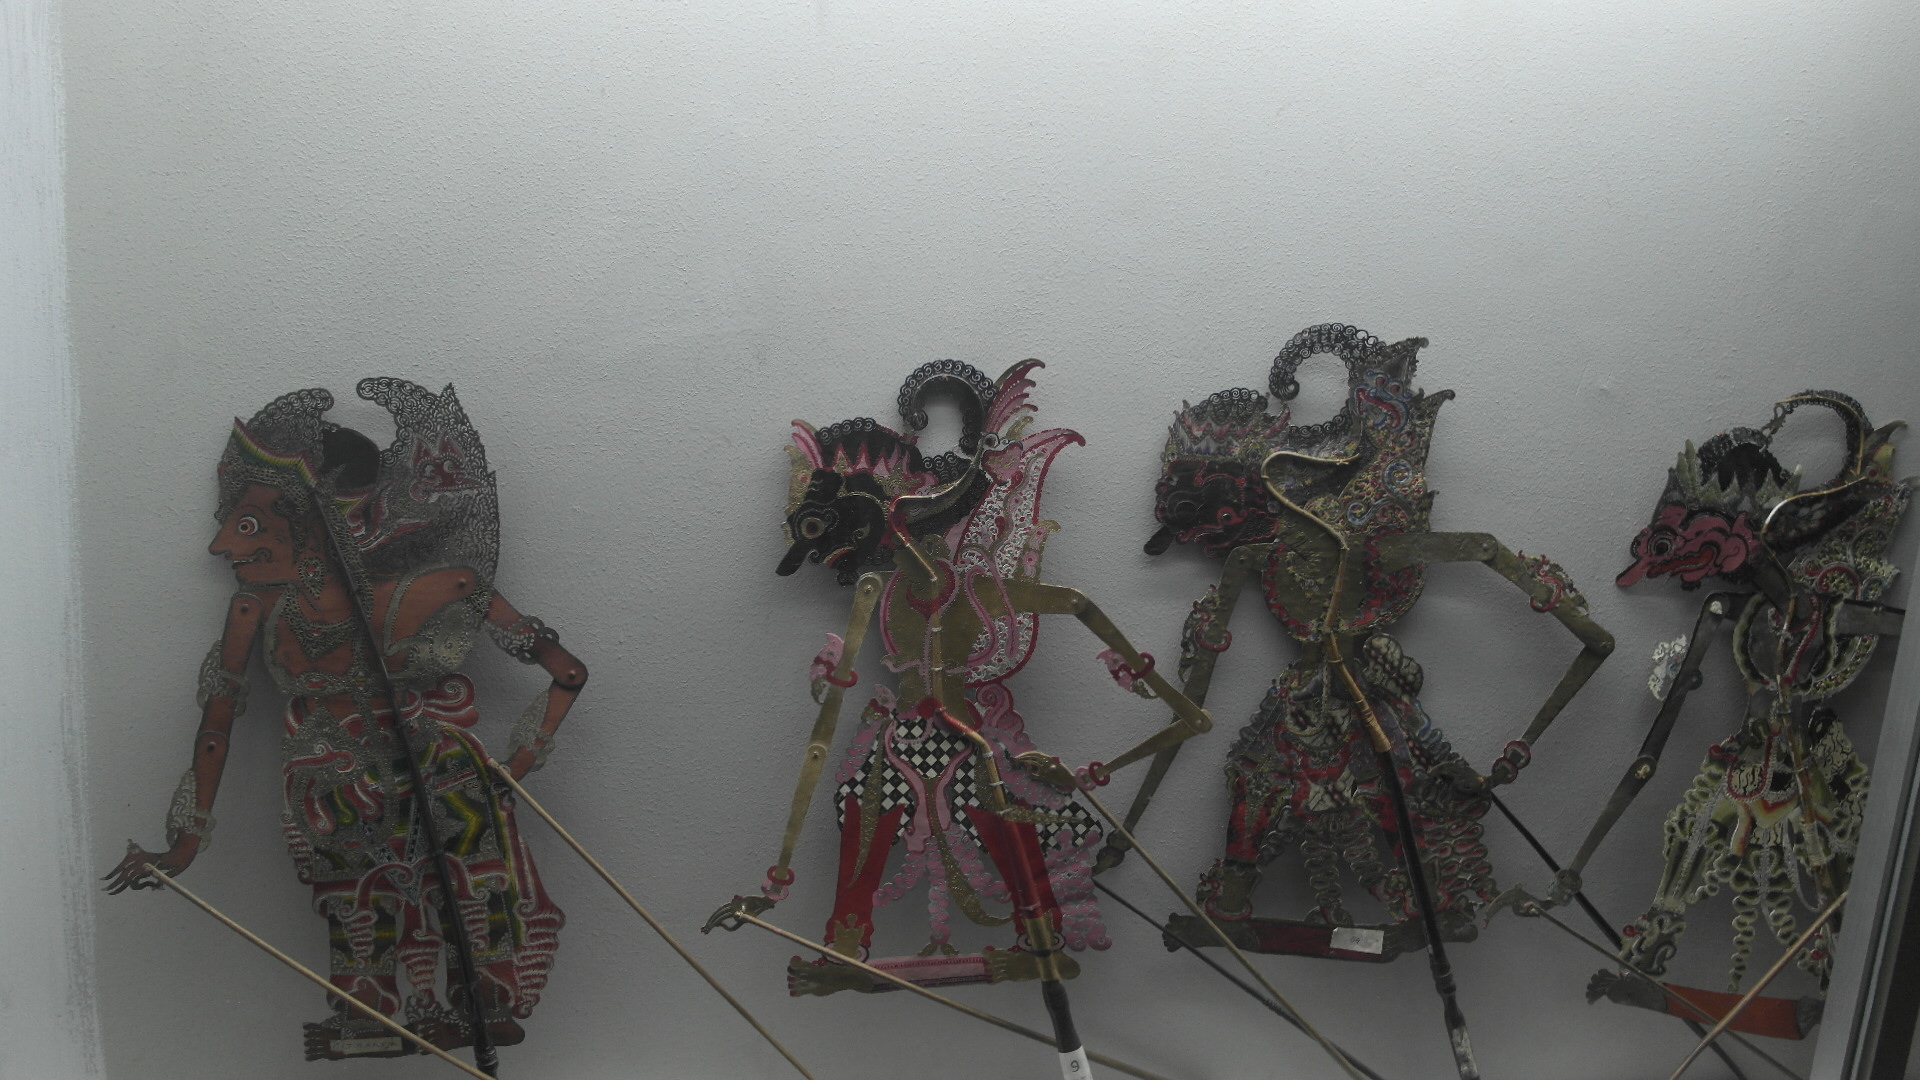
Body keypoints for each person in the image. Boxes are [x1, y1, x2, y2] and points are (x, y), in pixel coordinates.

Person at [103, 380, 587, 1061]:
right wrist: (182, 844)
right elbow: (217, 721)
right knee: (355, 904)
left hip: (440, 776)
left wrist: (517, 765)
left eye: (248, 525)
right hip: (331, 787)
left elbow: (568, 673)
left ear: (323, 519)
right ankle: (374, 1014)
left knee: (467, 896)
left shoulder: (443, 587)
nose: (219, 546)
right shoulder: (256, 608)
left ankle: (481, 1007)